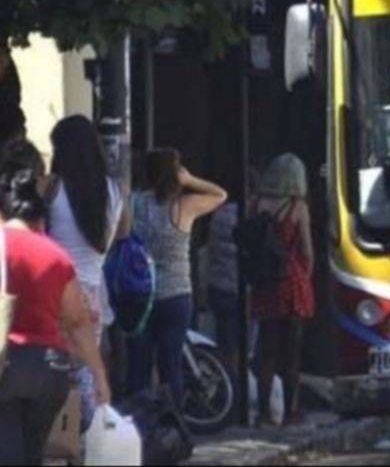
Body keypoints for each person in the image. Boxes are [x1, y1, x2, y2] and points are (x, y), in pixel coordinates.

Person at [0, 140, 110, 465]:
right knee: (33, 454)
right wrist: (99, 376)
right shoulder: (57, 256)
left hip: (7, 363)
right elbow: (77, 322)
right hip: (51, 369)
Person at [126, 148, 226, 407]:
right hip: (176, 294)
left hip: (141, 294)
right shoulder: (183, 206)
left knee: (139, 365)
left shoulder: (133, 203)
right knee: (171, 364)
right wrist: (190, 179)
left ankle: (140, 420)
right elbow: (220, 195)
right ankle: (173, 418)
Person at [45, 116, 127, 428]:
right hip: (93, 295)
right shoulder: (116, 191)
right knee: (86, 372)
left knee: (54, 373)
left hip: (57, 292)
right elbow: (122, 233)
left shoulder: (52, 188)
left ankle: (58, 439)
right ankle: (90, 437)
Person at [249, 153, 314, 426]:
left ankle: (264, 412)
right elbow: (306, 250)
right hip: (291, 281)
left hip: (265, 282)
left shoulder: (255, 203)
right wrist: (306, 277)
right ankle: (291, 411)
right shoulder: (298, 208)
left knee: (267, 351)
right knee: (292, 353)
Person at [204, 169, 257, 385]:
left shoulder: (218, 214)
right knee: (241, 346)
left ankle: (224, 385)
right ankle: (236, 387)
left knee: (223, 343)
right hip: (239, 289)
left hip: (217, 286)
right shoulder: (249, 216)